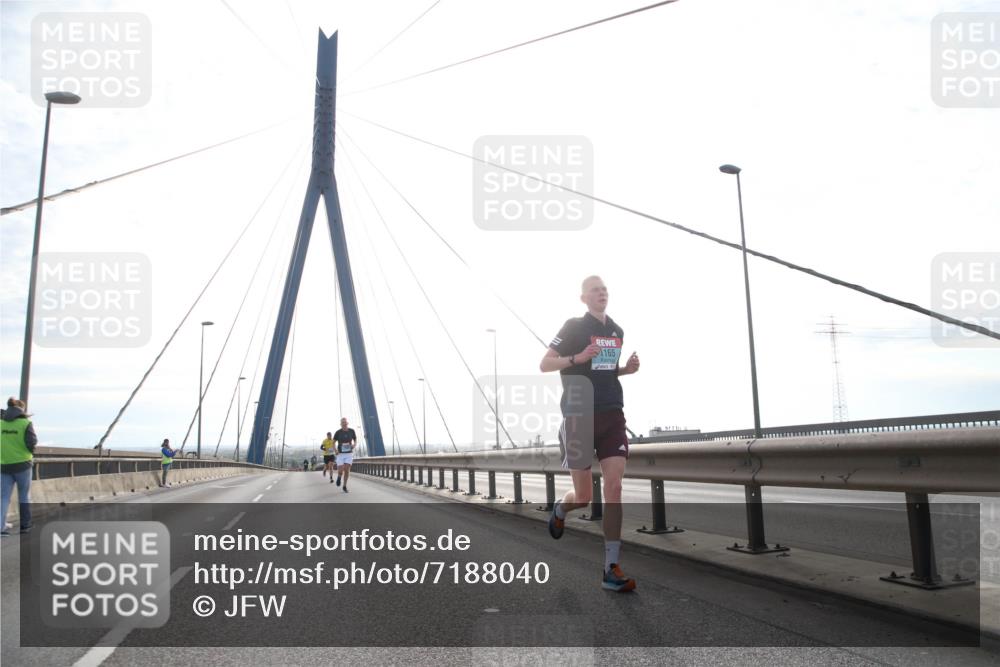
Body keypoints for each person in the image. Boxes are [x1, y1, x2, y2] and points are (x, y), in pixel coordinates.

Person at [540, 276, 640, 592]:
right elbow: (544, 364)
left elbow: (605, 369)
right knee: (583, 497)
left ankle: (611, 568)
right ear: (583, 297)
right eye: (596, 289)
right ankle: (561, 508)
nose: (602, 293)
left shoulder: (616, 331)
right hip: (579, 416)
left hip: (612, 413)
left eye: (605, 289)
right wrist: (577, 358)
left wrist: (626, 370)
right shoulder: (572, 327)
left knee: (614, 487)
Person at [1, 398, 36, 536]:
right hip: (23, 465)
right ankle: (25, 525)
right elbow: (32, 442)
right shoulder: (26, 423)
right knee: (24, 496)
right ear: (21, 410)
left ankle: (1, 527)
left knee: (3, 497)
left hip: (4, 465)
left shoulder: (1, 424)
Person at [332, 418, 357, 493]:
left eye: (345, 422)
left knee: (347, 470)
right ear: (341, 424)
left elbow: (355, 439)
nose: (344, 424)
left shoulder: (352, 431)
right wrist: (335, 450)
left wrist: (354, 444)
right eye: (342, 423)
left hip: (349, 453)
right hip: (340, 454)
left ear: (347, 423)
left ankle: (344, 486)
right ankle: (339, 477)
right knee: (340, 471)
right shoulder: (338, 432)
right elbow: (333, 442)